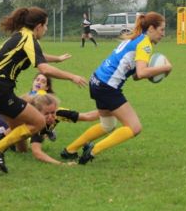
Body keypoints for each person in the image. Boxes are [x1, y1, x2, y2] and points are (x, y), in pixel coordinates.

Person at [0, 6, 87, 173]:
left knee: (18, 133)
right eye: (45, 26)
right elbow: (44, 68)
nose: (46, 29)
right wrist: (72, 76)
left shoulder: (21, 35)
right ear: (38, 26)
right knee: (38, 122)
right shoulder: (29, 39)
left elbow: (38, 55)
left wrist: (57, 59)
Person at [61, 12, 172, 165]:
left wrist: (155, 72)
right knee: (135, 127)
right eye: (162, 30)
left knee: (108, 125)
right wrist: (166, 68)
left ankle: (70, 150)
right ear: (152, 28)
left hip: (97, 81)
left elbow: (136, 76)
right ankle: (92, 151)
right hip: (107, 87)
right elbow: (141, 72)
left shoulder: (136, 38)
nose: (163, 34)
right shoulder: (145, 44)